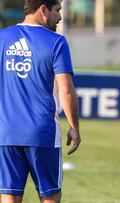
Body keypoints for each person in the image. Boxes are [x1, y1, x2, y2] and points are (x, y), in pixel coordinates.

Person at [0, 0, 81, 203]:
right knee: (50, 196)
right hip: (42, 133)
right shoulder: (56, 41)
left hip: (6, 133)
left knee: (9, 194)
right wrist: (74, 127)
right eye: (58, 10)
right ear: (43, 10)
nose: (60, 17)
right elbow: (66, 90)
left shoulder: (2, 38)